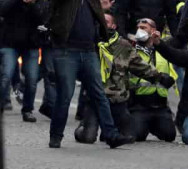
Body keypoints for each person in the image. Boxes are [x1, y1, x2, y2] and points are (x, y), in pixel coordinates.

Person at [47, 0, 132, 149]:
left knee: (99, 94)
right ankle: (56, 136)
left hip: (89, 50)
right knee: (65, 95)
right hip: (66, 50)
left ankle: (111, 135)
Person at [74, 13, 174, 143]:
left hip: (117, 100)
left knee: (130, 137)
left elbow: (140, 66)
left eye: (107, 21)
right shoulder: (89, 43)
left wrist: (160, 77)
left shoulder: (123, 46)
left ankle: (110, 131)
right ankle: (83, 128)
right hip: (96, 99)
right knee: (87, 138)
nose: (103, 24)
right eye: (100, 21)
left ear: (114, 26)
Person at [0, 0, 47, 122]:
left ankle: (27, 110)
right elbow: (2, 11)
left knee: (32, 79)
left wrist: (32, 4)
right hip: (10, 43)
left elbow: (42, 19)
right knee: (6, 75)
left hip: (31, 44)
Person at [128, 17, 179, 143]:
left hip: (160, 105)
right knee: (137, 135)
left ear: (153, 31)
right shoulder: (132, 51)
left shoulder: (164, 50)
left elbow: (181, 36)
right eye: (138, 28)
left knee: (169, 135)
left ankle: (152, 125)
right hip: (139, 105)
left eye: (143, 28)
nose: (139, 31)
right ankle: (140, 124)